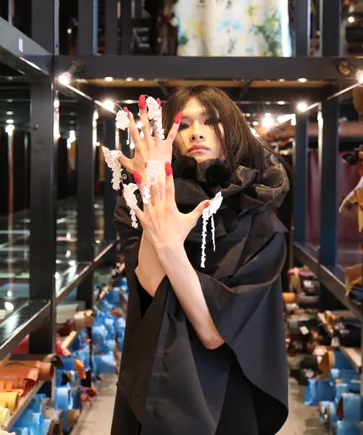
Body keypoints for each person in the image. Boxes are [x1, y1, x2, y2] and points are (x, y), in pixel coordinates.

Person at [108, 86, 291, 435]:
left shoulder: (260, 221)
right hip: (158, 382)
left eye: (210, 121)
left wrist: (169, 248)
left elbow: (213, 333)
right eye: (184, 124)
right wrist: (152, 190)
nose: (196, 132)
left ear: (231, 129)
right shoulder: (137, 210)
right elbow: (152, 285)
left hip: (229, 394)